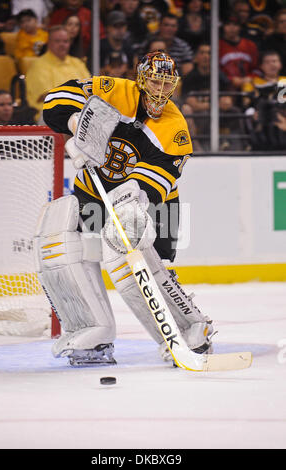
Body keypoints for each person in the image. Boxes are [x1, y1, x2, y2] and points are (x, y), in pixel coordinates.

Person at [35, 51, 214, 366]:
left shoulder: (175, 128)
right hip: (91, 193)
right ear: (141, 78)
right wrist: (75, 120)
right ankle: (92, 331)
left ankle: (189, 329)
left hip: (150, 205)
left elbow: (157, 181)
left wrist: (132, 196)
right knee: (57, 233)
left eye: (166, 82)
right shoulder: (113, 90)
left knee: (126, 247)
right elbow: (57, 98)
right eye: (155, 81)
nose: (160, 89)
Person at [25, 25, 91, 122]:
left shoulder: (77, 63)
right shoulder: (39, 65)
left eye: (65, 41)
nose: (62, 44)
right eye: (57, 41)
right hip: (51, 113)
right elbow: (48, 96)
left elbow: (90, 90)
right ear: (49, 43)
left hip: (80, 112)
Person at [219, 15, 259, 90]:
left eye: (235, 25)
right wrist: (230, 79)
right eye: (228, 24)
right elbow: (216, 69)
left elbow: (257, 68)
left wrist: (250, 77)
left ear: (240, 27)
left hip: (249, 84)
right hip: (225, 86)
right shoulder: (217, 45)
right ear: (223, 27)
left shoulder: (250, 45)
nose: (232, 28)